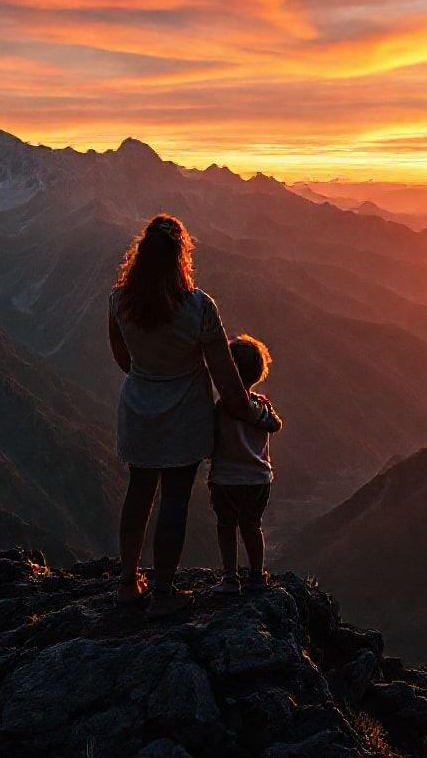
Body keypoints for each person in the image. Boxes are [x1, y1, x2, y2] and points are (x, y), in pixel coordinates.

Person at [108, 214, 253, 614]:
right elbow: (224, 374)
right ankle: (164, 592)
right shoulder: (199, 308)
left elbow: (124, 359)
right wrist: (250, 412)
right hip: (185, 415)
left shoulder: (119, 301)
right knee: (174, 500)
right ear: (181, 258)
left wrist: (150, 373)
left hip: (138, 408)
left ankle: (127, 583)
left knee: (138, 493)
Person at [208, 334, 283, 595]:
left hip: (225, 479)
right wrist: (269, 409)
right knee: (252, 526)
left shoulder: (219, 409)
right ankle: (257, 576)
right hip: (258, 478)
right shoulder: (258, 409)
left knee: (226, 526)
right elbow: (276, 425)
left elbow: (208, 441)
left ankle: (230, 578)